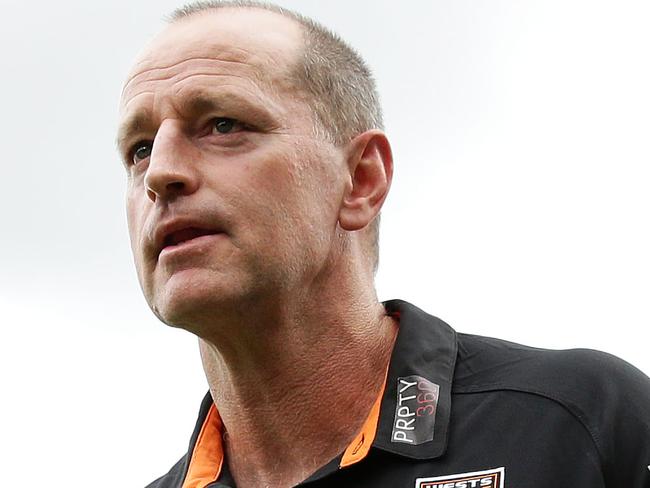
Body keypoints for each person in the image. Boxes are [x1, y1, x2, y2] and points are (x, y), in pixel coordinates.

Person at [116, 2, 650, 487]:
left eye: (222, 124)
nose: (160, 173)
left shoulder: (579, 421)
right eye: (140, 149)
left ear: (361, 180)